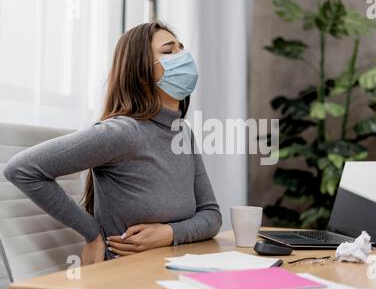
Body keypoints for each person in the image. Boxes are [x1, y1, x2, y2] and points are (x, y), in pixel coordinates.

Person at [3, 22, 222, 265]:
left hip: (173, 269)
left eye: (182, 50)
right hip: (126, 275)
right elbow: (21, 169)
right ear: (141, 73)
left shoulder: (183, 133)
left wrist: (168, 233)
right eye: (169, 52)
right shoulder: (123, 132)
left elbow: (211, 216)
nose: (184, 58)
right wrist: (92, 233)